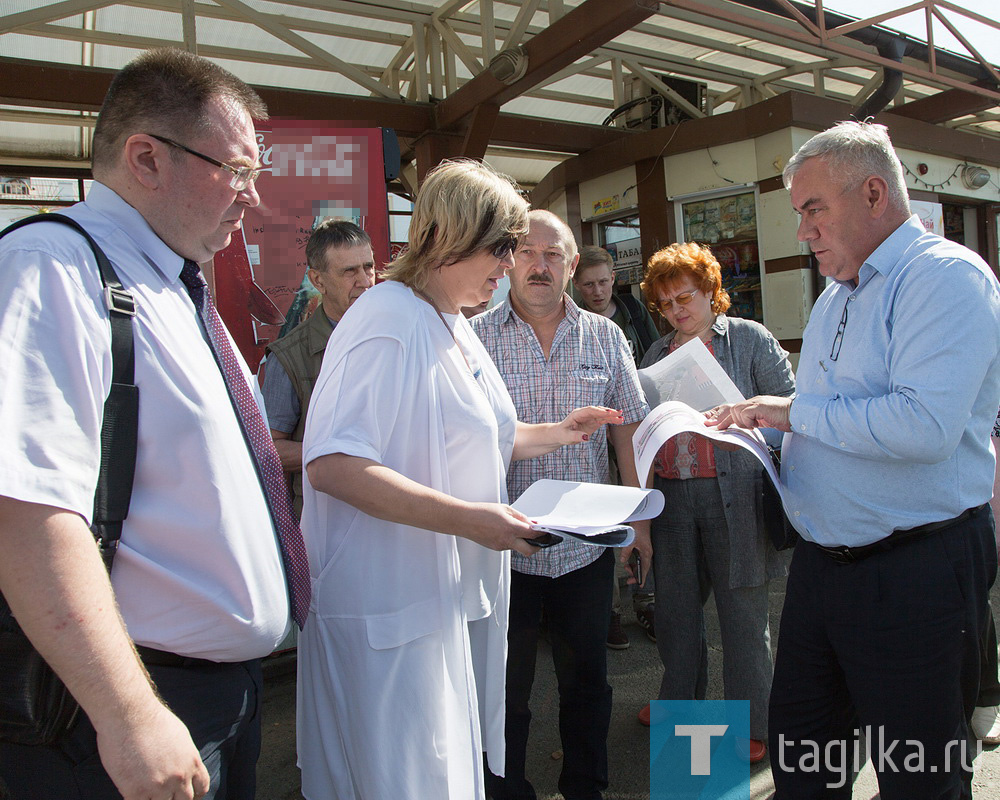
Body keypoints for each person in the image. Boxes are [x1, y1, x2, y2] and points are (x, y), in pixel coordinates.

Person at [0, 48, 306, 800]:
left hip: (211, 697)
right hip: (118, 712)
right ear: (146, 158)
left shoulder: (168, 283)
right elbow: (28, 510)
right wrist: (128, 711)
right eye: (237, 171)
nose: (252, 198)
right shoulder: (53, 268)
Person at [295, 160, 622, 800]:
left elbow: (480, 437)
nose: (510, 265)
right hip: (388, 610)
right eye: (503, 247)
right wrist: (473, 520)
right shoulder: (385, 319)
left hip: (436, 605)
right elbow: (332, 463)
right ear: (452, 238)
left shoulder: (449, 321)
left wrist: (560, 430)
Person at [711, 121, 1000, 799]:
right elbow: (830, 420)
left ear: (873, 193)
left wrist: (787, 415)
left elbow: (923, 426)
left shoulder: (945, 278)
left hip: (914, 572)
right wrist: (751, 434)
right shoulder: (838, 294)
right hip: (823, 570)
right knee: (806, 763)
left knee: (918, 777)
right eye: (799, 215)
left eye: (814, 209)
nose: (803, 231)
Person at [472, 209, 651, 800]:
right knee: (506, 691)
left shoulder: (606, 335)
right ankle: (507, 790)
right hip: (505, 548)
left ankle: (587, 787)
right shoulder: (473, 339)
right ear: (508, 262)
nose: (540, 265)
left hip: (585, 547)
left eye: (553, 255)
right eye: (527, 252)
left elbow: (627, 430)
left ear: (573, 265)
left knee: (587, 682)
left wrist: (638, 524)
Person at [635, 242, 795, 764]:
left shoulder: (748, 340)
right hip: (672, 496)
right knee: (677, 611)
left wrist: (749, 413)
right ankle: (681, 707)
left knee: (743, 615)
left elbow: (795, 412)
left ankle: (754, 724)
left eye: (686, 297)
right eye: (666, 303)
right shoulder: (657, 356)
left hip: (738, 496)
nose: (678, 310)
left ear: (711, 292)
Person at [573, 244, 660, 648]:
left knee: (640, 509)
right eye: (589, 284)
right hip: (591, 438)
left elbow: (655, 355)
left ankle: (647, 598)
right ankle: (609, 612)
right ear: (577, 283)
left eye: (604, 282)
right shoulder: (571, 320)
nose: (598, 291)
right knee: (603, 521)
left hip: (632, 424)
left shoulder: (632, 312)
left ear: (614, 278)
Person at [261, 220, 375, 514]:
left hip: (389, 521)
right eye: (350, 271)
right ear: (318, 280)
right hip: (325, 521)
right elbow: (270, 448)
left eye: (369, 267)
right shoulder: (291, 355)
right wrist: (344, 458)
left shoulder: (396, 336)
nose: (365, 281)